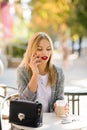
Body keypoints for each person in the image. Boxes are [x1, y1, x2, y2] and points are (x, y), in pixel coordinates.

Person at [16, 32, 68, 114]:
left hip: (50, 122)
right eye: (40, 49)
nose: (45, 53)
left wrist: (60, 106)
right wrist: (35, 74)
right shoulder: (22, 71)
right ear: (31, 51)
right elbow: (23, 102)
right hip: (30, 121)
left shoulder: (58, 72)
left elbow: (60, 99)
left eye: (48, 49)